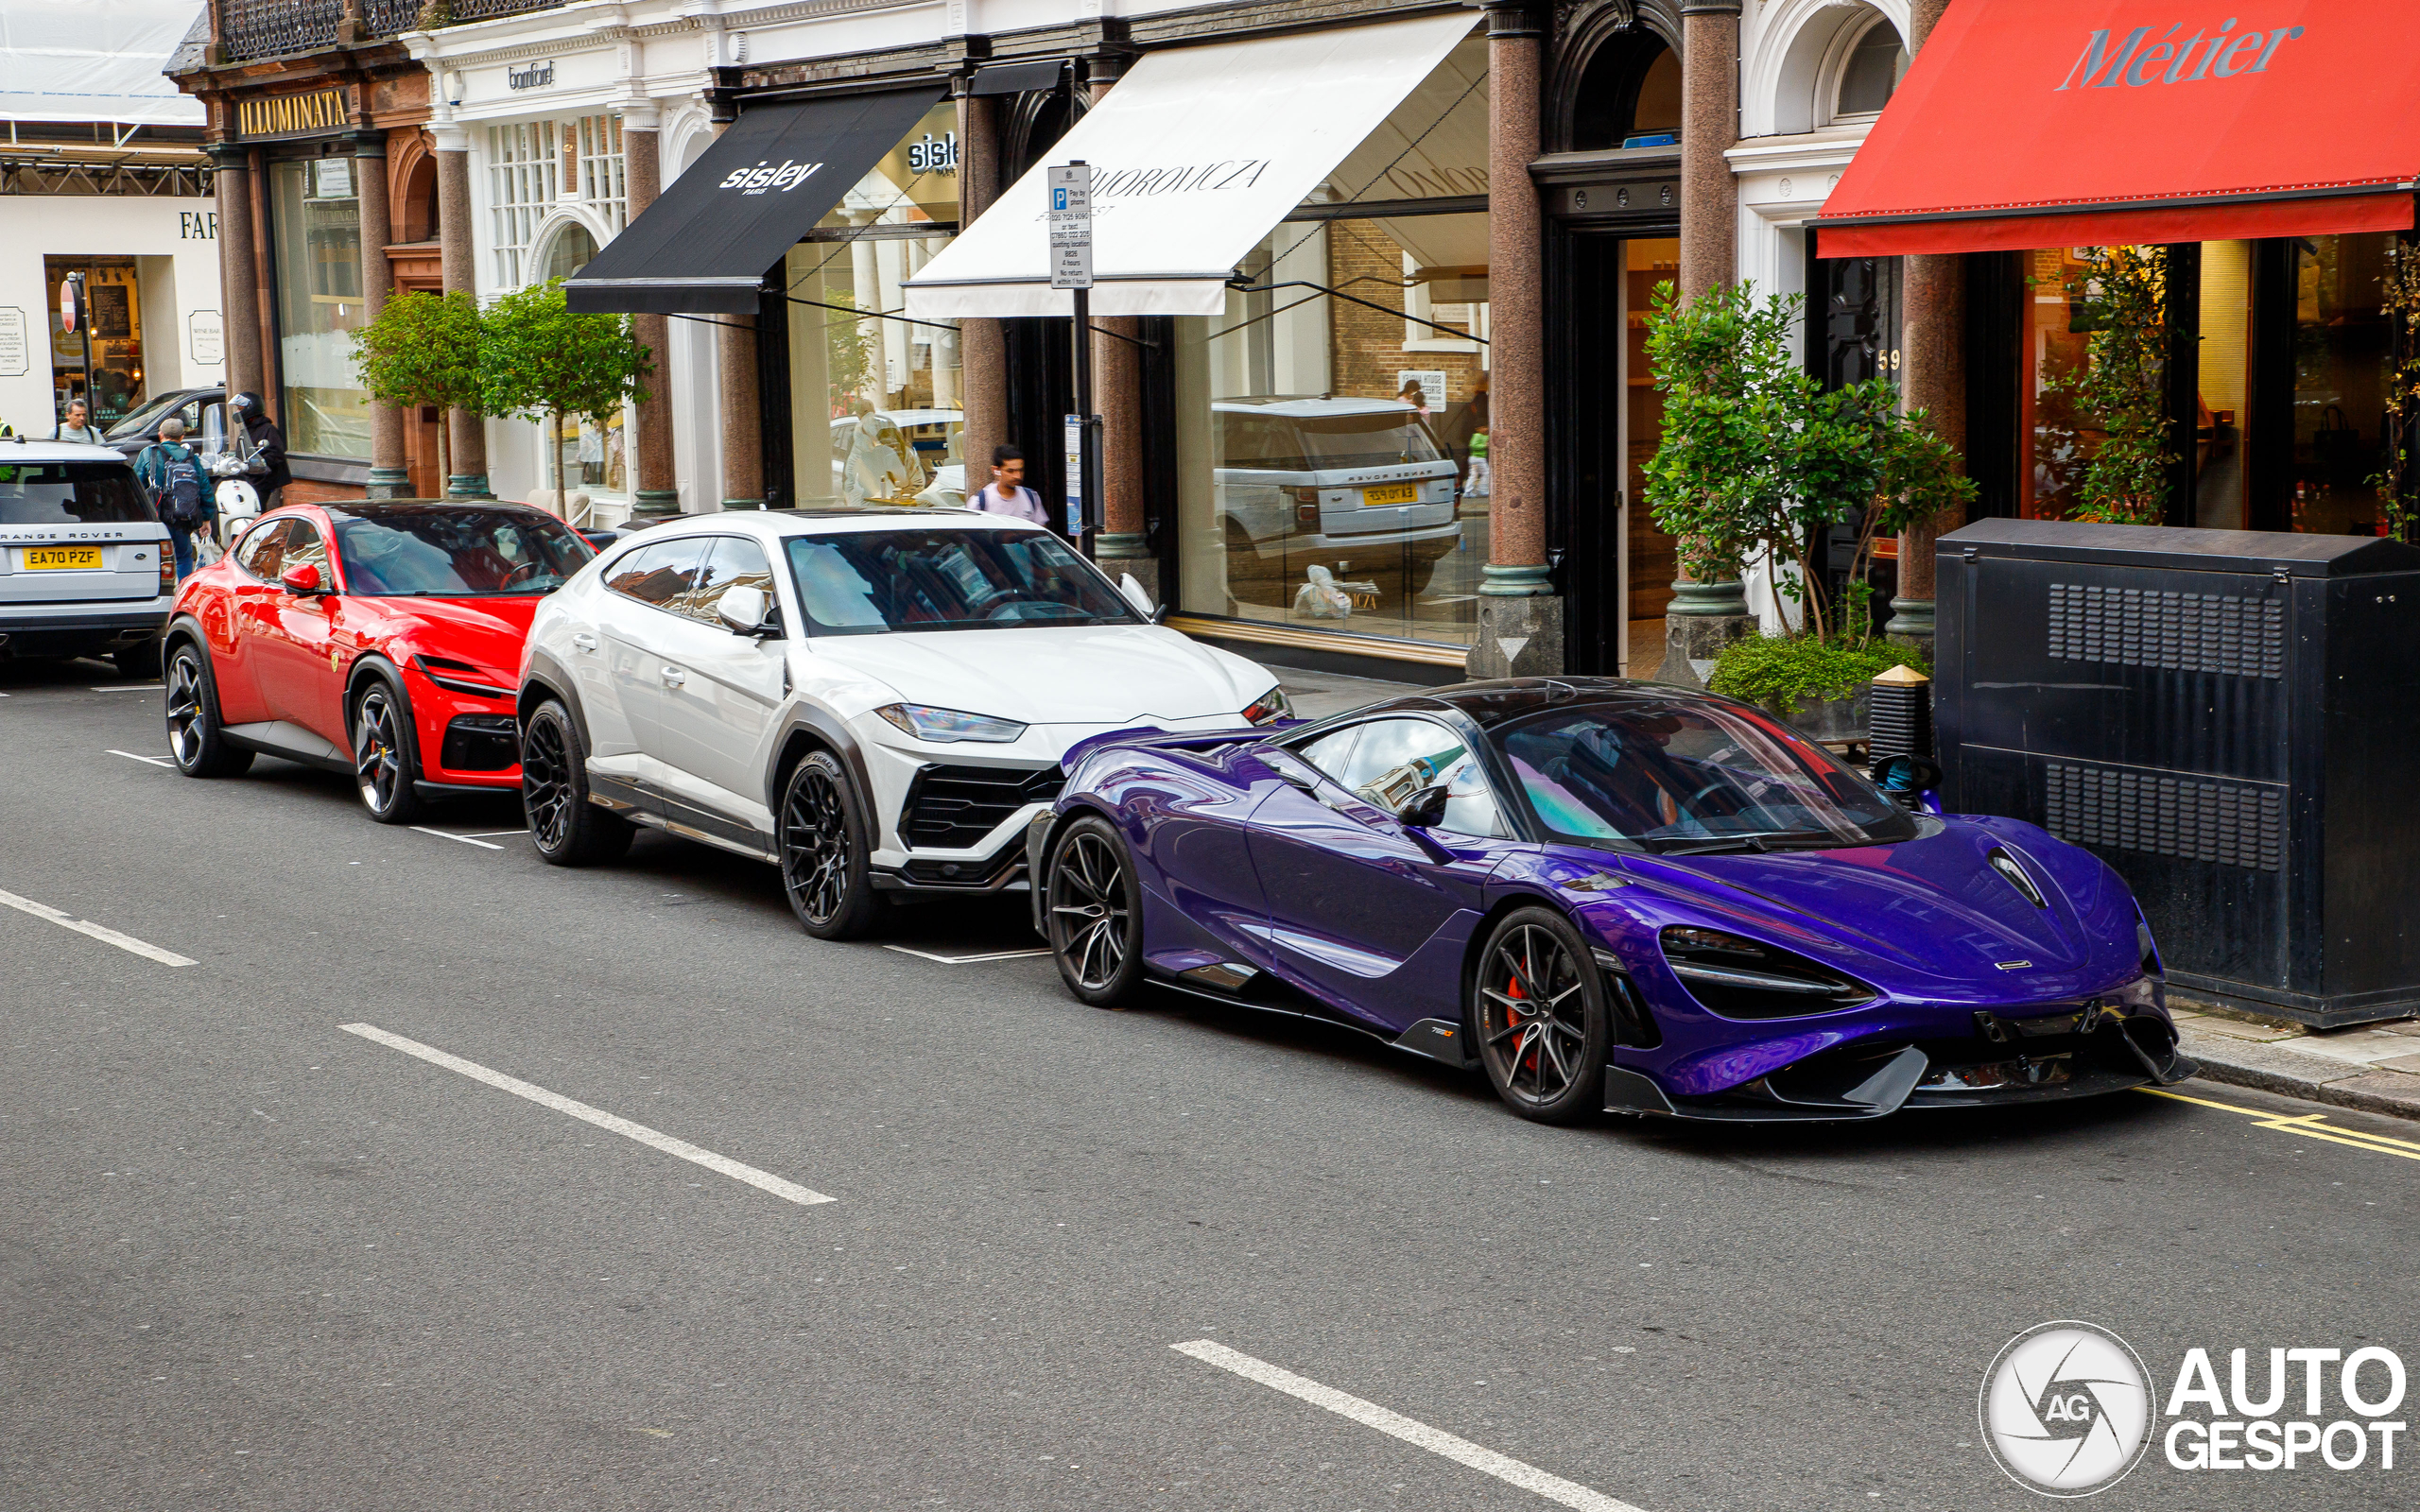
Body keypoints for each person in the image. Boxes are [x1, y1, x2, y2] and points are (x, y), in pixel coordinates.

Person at [134, 418, 209, 582]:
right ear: (182, 437)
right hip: (183, 515)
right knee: (183, 555)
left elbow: (136, 484)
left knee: (156, 556)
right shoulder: (191, 457)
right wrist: (207, 518)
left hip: (157, 515)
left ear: (161, 435)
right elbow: (204, 487)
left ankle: (159, 588)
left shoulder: (149, 453)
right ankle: (183, 592)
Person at [228, 391, 291, 511]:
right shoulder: (246, 431)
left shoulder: (268, 429)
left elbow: (277, 454)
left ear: (250, 409)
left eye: (240, 409)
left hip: (261, 481)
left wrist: (259, 462)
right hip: (246, 479)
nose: (237, 412)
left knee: (256, 510)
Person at [969, 445, 1048, 525]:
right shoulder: (980, 501)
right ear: (996, 470)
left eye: (1020, 470)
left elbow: (1042, 532)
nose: (1018, 476)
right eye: (1010, 471)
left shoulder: (1031, 497)